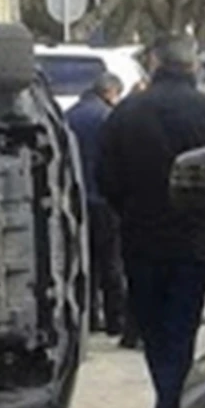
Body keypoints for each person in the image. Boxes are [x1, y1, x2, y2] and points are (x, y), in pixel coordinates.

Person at [98, 35, 205, 408]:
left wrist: (131, 212)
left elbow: (106, 180)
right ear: (193, 65)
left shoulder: (125, 114)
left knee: (157, 334)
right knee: (181, 330)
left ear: (155, 63)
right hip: (192, 239)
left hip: (140, 239)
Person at [65, 72, 126, 336]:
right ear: (110, 92)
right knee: (111, 262)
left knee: (84, 261)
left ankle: (87, 319)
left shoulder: (69, 116)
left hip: (76, 200)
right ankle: (114, 320)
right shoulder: (108, 117)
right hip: (103, 199)